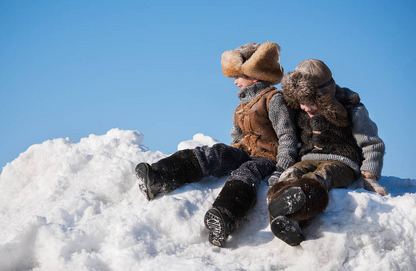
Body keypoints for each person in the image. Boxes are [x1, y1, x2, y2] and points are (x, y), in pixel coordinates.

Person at [135, 41, 299, 247]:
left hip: (266, 158)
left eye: (239, 77)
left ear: (255, 75)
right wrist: (229, 156)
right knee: (215, 153)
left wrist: (282, 168)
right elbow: (235, 136)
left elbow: (286, 135)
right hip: (244, 152)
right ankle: (160, 176)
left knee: (247, 172)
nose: (235, 82)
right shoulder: (240, 107)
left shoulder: (273, 100)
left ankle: (224, 217)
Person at [266, 59, 387, 246]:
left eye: (309, 103)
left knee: (322, 176)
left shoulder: (351, 110)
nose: (305, 108)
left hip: (342, 161)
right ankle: (280, 220)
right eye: (301, 103)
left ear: (323, 96)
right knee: (289, 175)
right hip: (307, 158)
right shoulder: (300, 112)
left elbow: (371, 143)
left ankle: (298, 217)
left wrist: (369, 175)